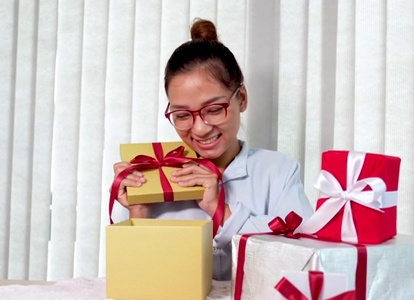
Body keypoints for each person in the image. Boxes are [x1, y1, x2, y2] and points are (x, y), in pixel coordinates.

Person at [113, 19, 313, 281]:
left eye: (214, 109)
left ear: (241, 98)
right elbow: (133, 282)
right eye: (182, 115)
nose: (199, 129)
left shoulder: (278, 172)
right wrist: (138, 211)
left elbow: (308, 261)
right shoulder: (150, 174)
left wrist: (220, 210)